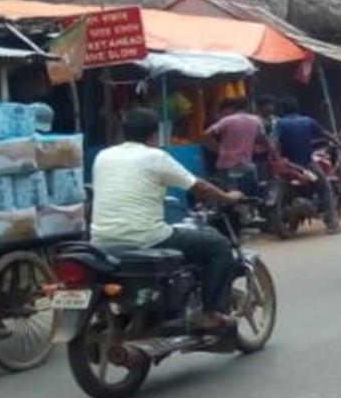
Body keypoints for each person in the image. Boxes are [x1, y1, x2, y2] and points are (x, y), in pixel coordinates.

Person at [89, 108, 246, 331]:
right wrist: (228, 198)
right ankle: (210, 313)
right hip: (145, 238)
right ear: (154, 135)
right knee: (218, 246)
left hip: (101, 240)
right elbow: (199, 186)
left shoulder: (103, 156)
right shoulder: (156, 157)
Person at [273, 97, 340, 230]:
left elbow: (275, 142)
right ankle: (331, 221)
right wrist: (338, 142)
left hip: (288, 165)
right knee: (325, 187)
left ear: (282, 110)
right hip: (307, 164)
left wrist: (277, 157)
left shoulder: (279, 123)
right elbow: (324, 133)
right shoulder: (308, 120)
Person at [203, 96, 273, 194]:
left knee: (227, 195)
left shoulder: (226, 120)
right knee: (250, 195)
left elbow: (205, 136)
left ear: (233, 108)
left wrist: (219, 150)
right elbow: (265, 140)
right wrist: (275, 156)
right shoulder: (256, 120)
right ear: (248, 107)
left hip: (226, 164)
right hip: (245, 164)